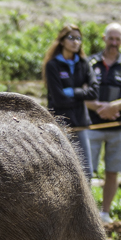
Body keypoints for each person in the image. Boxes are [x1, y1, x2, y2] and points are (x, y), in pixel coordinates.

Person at [88, 23, 121, 222]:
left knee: (112, 172)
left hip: (118, 128)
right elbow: (81, 93)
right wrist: (100, 108)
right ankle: (86, 215)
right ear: (104, 38)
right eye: (111, 38)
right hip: (91, 126)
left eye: (118, 39)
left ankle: (105, 213)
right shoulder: (90, 63)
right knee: (85, 172)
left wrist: (113, 107)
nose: (114, 42)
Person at [43, 24, 98, 179]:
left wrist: (72, 91)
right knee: (63, 173)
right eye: (71, 38)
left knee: (86, 173)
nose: (75, 42)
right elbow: (58, 99)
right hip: (60, 124)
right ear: (62, 41)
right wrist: (81, 95)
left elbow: (94, 92)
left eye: (79, 38)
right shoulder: (52, 65)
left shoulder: (84, 64)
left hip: (80, 123)